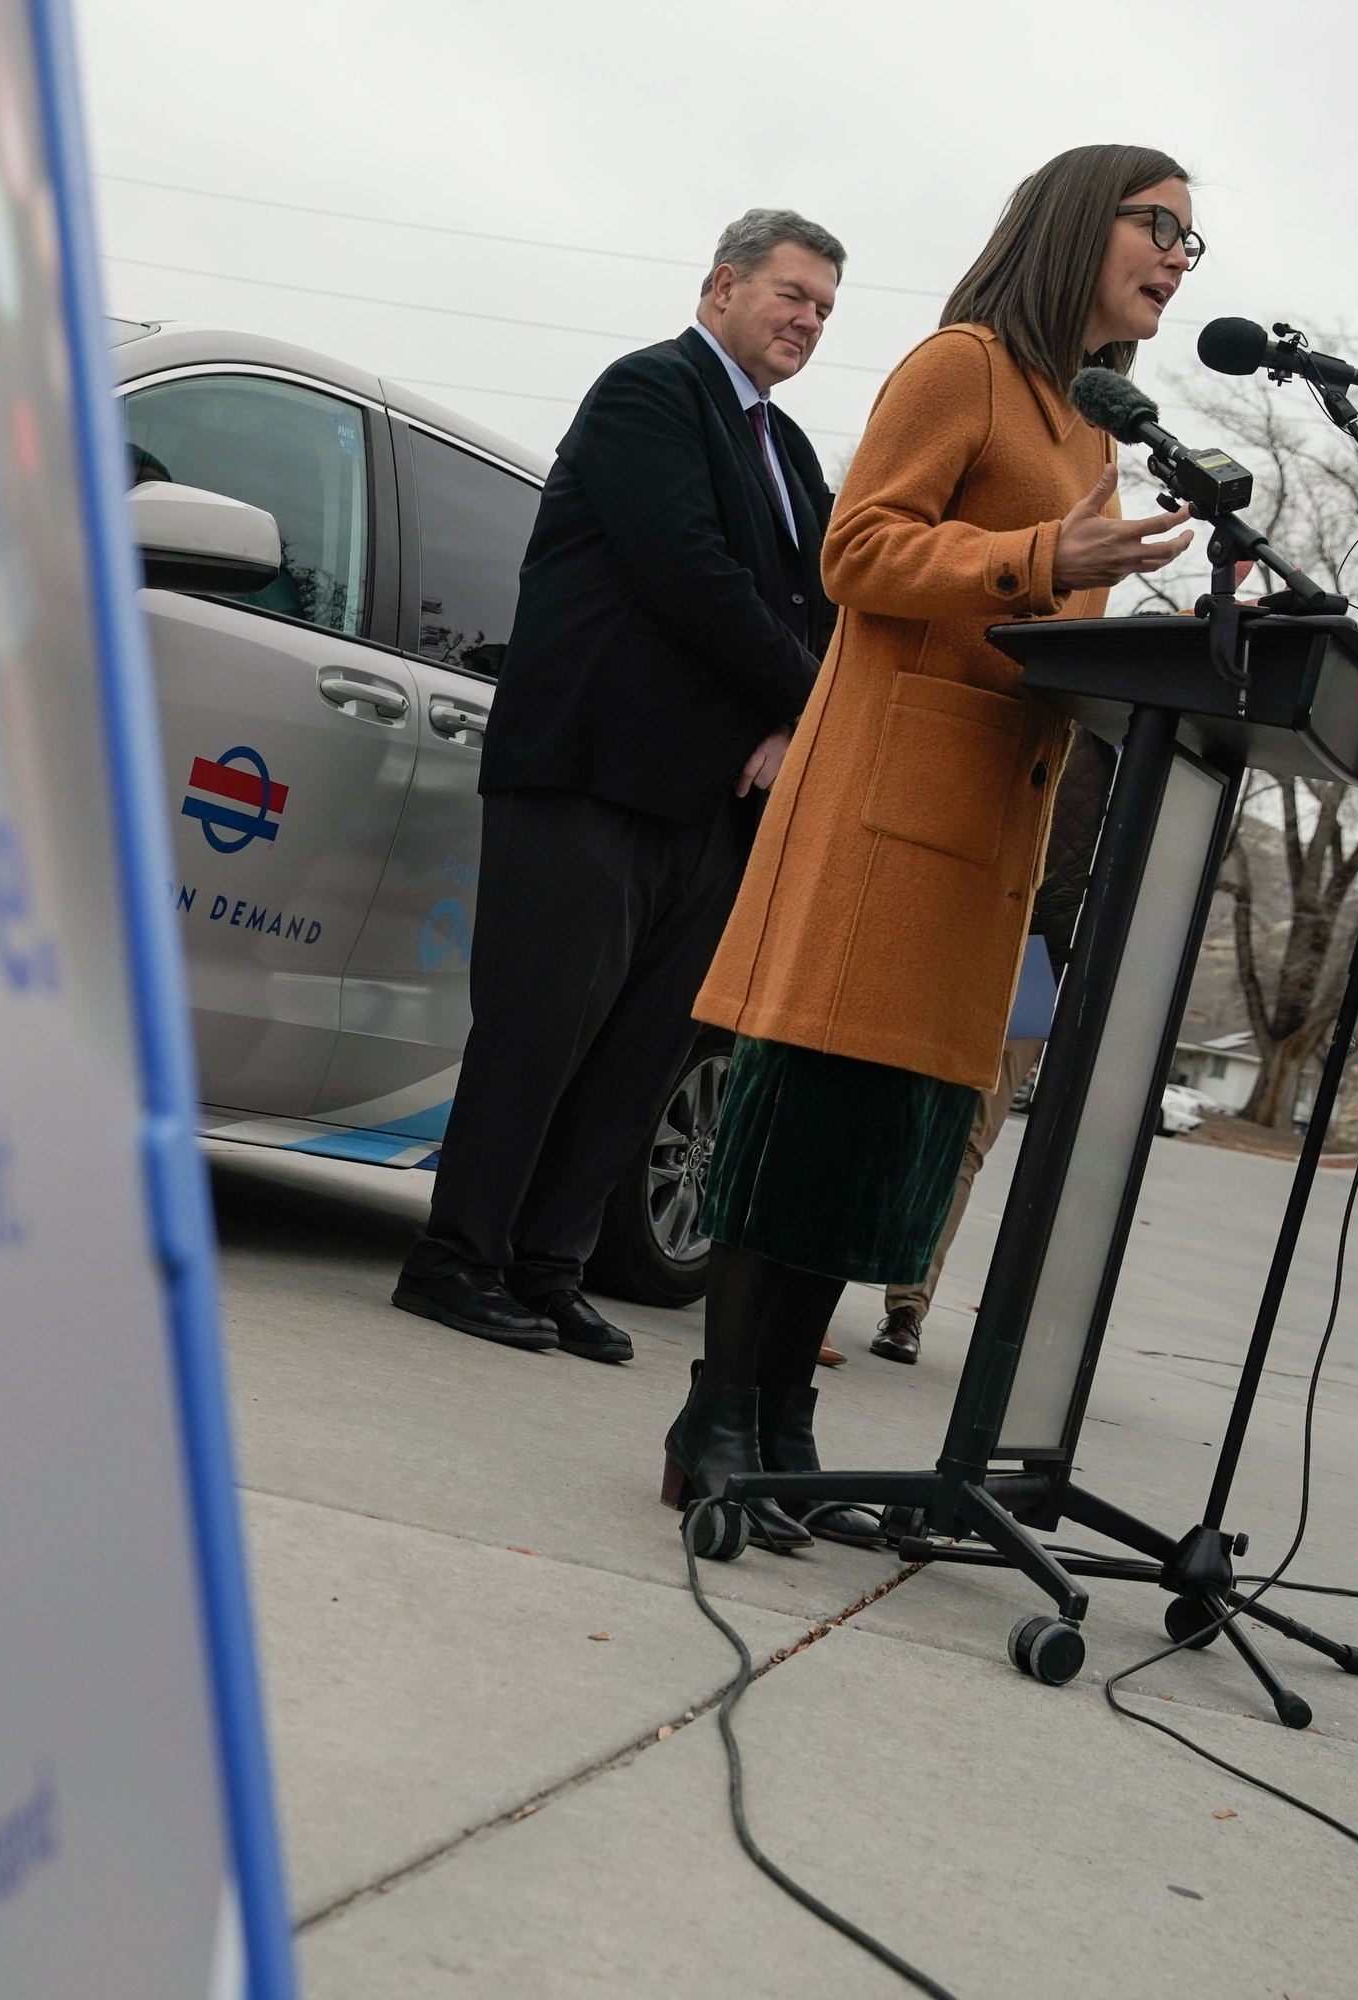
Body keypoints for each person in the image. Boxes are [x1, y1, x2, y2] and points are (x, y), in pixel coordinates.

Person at [665, 145, 1204, 1551]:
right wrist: (1043, 563)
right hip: (883, 820)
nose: (1180, 260)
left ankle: (783, 1423)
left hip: (987, 828)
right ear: (1083, 224)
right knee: (811, 1123)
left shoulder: (1089, 429)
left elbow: (1030, 619)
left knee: (878, 1152)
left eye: (1192, 243)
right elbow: (858, 553)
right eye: (1163, 228)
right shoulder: (960, 366)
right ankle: (718, 1417)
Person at [390, 210, 844, 1364]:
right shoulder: (648, 391)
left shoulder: (790, 455)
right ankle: (457, 1259)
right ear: (720, 287)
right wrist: (809, 703)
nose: (808, 320)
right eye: (792, 294)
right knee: (541, 1028)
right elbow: (687, 570)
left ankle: (549, 1266)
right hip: (590, 772)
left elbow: (822, 605)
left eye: (825, 310)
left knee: (639, 1052)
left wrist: (803, 714)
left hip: (712, 802)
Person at [870, 728, 1115, 1363]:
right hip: (953, 929)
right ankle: (808, 1292)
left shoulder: (1153, 759)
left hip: (1037, 960)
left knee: (967, 1141)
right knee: (881, 1112)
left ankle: (907, 1307)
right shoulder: (1031, 706)